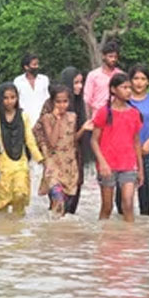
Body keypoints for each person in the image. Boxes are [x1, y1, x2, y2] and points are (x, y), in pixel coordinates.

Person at [33, 67, 93, 215]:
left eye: (81, 82)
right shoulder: (50, 106)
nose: (79, 86)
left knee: (71, 206)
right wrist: (44, 156)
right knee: (57, 203)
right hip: (54, 160)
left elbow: (74, 137)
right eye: (76, 82)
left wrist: (85, 129)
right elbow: (38, 132)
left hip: (73, 159)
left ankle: (65, 236)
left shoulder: (79, 105)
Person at [91, 73, 144, 223]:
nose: (128, 91)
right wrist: (102, 163)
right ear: (113, 90)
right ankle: (102, 237)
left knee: (128, 204)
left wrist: (140, 169)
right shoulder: (104, 112)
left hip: (128, 164)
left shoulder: (134, 114)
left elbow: (136, 142)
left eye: (129, 87)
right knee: (107, 207)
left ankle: (129, 239)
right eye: (124, 87)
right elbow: (94, 141)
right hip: (108, 165)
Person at [118, 64, 149, 216]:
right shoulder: (123, 101)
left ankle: (143, 233)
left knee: (145, 198)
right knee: (121, 200)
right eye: (136, 78)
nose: (139, 82)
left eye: (143, 79)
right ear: (130, 81)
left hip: (147, 153)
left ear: (148, 82)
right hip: (124, 154)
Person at [0, 83, 43, 216]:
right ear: (0, 99)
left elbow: (29, 140)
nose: (9, 101)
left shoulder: (23, 116)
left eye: (13, 97)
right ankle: (4, 233)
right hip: (1, 164)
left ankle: (18, 232)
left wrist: (40, 158)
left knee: (20, 194)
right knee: (2, 203)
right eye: (5, 98)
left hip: (20, 163)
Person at [37, 84, 81, 217]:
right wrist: (57, 120)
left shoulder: (73, 117)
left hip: (68, 165)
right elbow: (52, 142)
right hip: (53, 166)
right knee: (58, 200)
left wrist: (84, 129)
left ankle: (57, 233)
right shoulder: (47, 118)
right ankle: (54, 231)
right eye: (58, 102)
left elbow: (72, 140)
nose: (62, 105)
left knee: (64, 207)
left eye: (65, 101)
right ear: (52, 102)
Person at [13, 53, 50, 198]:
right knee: (27, 155)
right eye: (33, 64)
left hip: (42, 122)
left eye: (37, 64)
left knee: (42, 154)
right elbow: (16, 102)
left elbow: (48, 100)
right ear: (26, 67)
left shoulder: (44, 80)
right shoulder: (18, 81)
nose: (36, 67)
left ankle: (41, 187)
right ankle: (27, 187)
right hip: (25, 122)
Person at [83, 41, 126, 119]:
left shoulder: (121, 75)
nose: (113, 59)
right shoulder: (93, 75)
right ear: (103, 56)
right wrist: (88, 119)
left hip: (117, 116)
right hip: (97, 116)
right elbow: (87, 100)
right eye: (110, 56)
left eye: (115, 57)